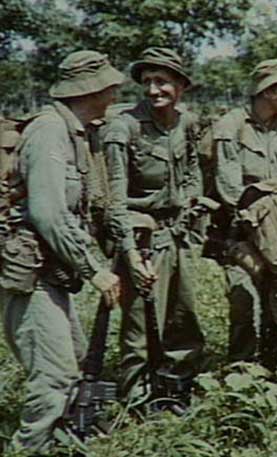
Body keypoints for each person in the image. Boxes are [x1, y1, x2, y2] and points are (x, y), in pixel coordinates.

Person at [0, 50, 123, 452]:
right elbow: (49, 213)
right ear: (94, 90)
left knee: (73, 365)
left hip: (49, 271)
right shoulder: (50, 131)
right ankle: (29, 447)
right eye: (111, 85)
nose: (117, 90)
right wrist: (95, 269)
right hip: (30, 272)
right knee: (54, 380)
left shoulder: (78, 134)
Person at [103, 47, 205, 399]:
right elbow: (113, 199)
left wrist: (190, 204)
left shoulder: (187, 122)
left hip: (176, 233)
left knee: (183, 315)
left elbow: (193, 170)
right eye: (147, 82)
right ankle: (135, 400)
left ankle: (177, 388)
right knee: (139, 327)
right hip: (140, 236)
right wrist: (130, 253)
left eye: (162, 81)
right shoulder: (123, 128)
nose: (153, 90)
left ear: (180, 86)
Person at [212, 59, 277, 365]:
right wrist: (261, 210)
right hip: (241, 235)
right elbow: (229, 190)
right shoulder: (231, 127)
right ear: (267, 92)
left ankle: (275, 364)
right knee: (244, 303)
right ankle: (242, 371)